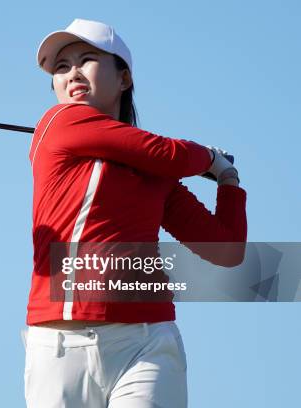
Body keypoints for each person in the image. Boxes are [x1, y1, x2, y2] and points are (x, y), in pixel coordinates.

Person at [23, 19, 247, 407]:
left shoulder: (154, 170)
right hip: (58, 348)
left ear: (123, 79)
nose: (72, 72)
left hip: (146, 343)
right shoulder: (59, 121)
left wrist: (228, 181)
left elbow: (225, 250)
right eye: (61, 67)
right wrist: (209, 157)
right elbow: (170, 153)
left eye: (87, 59)